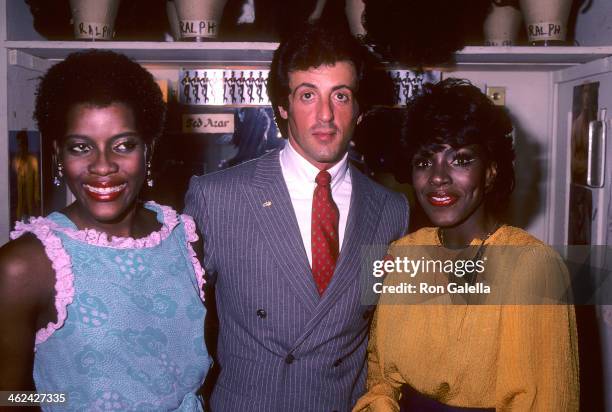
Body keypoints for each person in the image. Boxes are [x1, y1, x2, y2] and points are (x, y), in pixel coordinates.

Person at [184, 23, 409, 412]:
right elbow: (176, 326)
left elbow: (386, 340)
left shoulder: (391, 210)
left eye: (340, 96)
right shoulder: (217, 197)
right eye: (308, 95)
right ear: (283, 106)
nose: (325, 115)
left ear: (358, 108)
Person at [0, 50, 211, 411]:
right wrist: (70, 400)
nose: (102, 166)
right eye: (81, 147)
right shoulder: (26, 265)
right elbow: (8, 396)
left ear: (149, 151)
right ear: (58, 155)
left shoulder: (182, 238)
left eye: (123, 145)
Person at [353, 78, 579, 411]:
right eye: (424, 162)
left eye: (460, 160)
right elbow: (380, 378)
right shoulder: (404, 254)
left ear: (490, 172)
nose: (438, 177)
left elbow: (544, 401)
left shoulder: (533, 267)